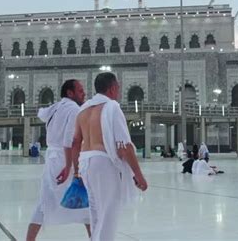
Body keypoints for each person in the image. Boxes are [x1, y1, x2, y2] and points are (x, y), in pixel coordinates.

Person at [58, 72, 147, 241]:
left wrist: (77, 172)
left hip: (85, 163)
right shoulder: (112, 107)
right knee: (108, 214)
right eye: (118, 88)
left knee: (97, 214)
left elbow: (76, 142)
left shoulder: (83, 110)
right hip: (102, 163)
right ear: (112, 89)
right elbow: (125, 145)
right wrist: (138, 174)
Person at [26, 79, 90, 241]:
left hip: (52, 159)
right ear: (70, 93)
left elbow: (41, 113)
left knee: (44, 203)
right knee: (87, 202)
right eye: (80, 90)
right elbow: (70, 141)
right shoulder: (74, 109)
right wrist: (71, 168)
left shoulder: (56, 107)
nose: (84, 94)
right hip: (64, 159)